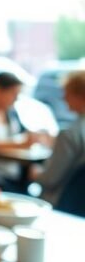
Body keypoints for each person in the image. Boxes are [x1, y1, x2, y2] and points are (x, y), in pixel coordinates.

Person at [35, 71, 85, 205]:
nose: (63, 98)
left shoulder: (69, 134)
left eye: (67, 92)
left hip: (60, 201)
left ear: (79, 95)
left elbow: (50, 179)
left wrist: (35, 174)